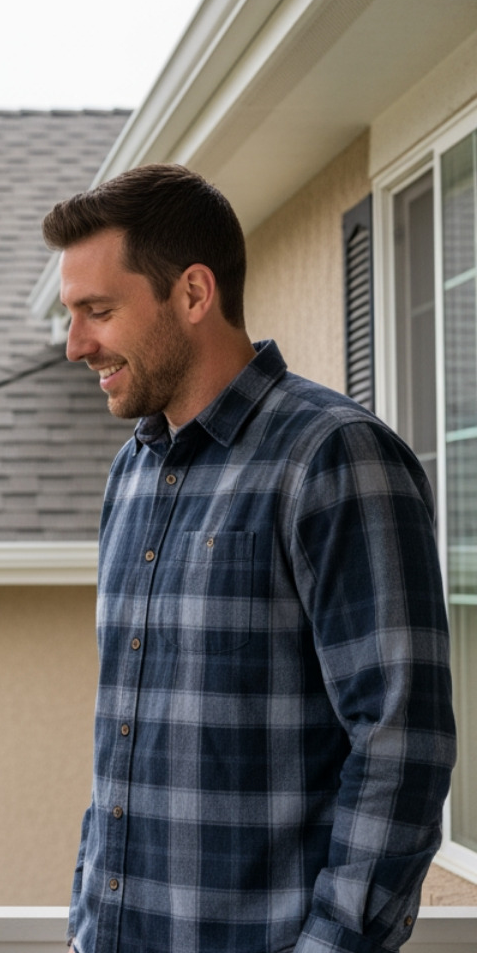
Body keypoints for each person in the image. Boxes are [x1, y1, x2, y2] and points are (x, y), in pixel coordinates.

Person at [44, 164, 456, 953]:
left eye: (98, 311)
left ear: (194, 295)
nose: (76, 345)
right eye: (73, 314)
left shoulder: (335, 457)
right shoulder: (130, 475)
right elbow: (126, 750)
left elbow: (402, 739)